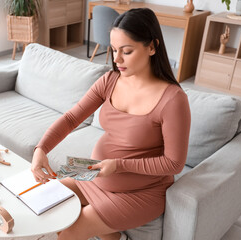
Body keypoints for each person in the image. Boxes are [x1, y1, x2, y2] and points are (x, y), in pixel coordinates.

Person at [31, 8, 191, 240]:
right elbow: (71, 118)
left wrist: (118, 165)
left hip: (140, 192)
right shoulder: (110, 79)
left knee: (68, 234)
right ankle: (113, 237)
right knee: (46, 202)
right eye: (114, 50)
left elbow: (174, 163)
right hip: (93, 172)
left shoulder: (173, 99)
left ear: (152, 47)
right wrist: (41, 149)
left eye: (126, 51)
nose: (116, 60)